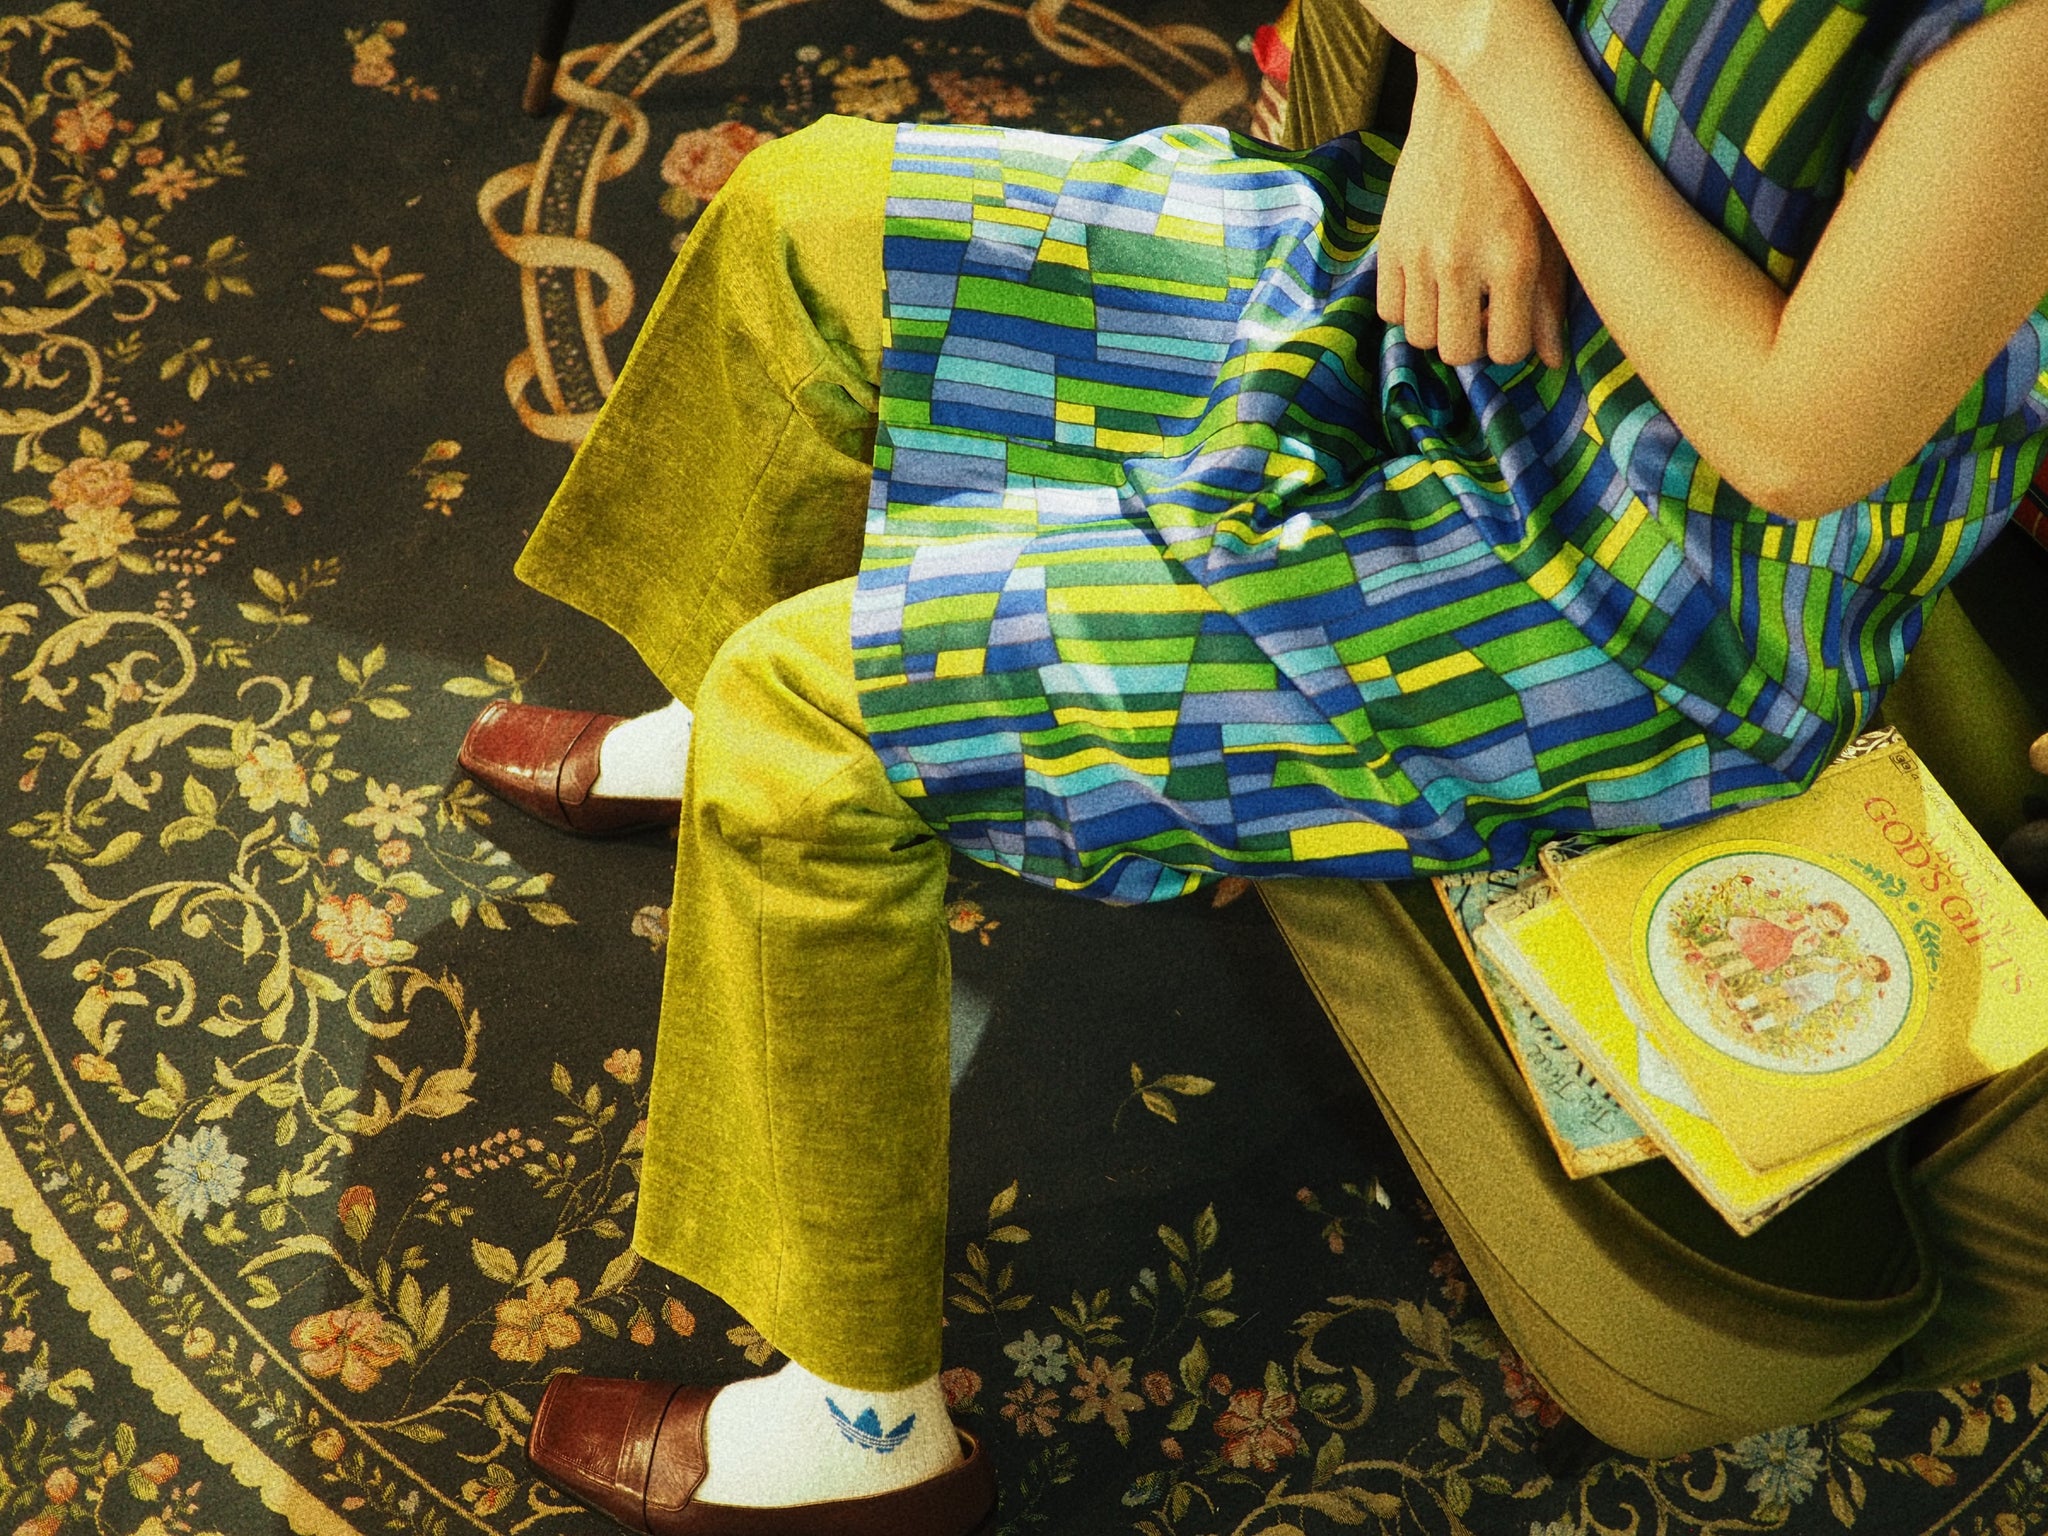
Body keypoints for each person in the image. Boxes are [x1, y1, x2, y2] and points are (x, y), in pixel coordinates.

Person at [455, 0, 2048, 1527]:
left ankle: (868, 1441)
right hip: (1465, 299)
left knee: (813, 717)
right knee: (803, 220)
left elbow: (1792, 442)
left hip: (1637, 595)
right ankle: (744, 739)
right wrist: (1460, 121)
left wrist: (1490, 50)